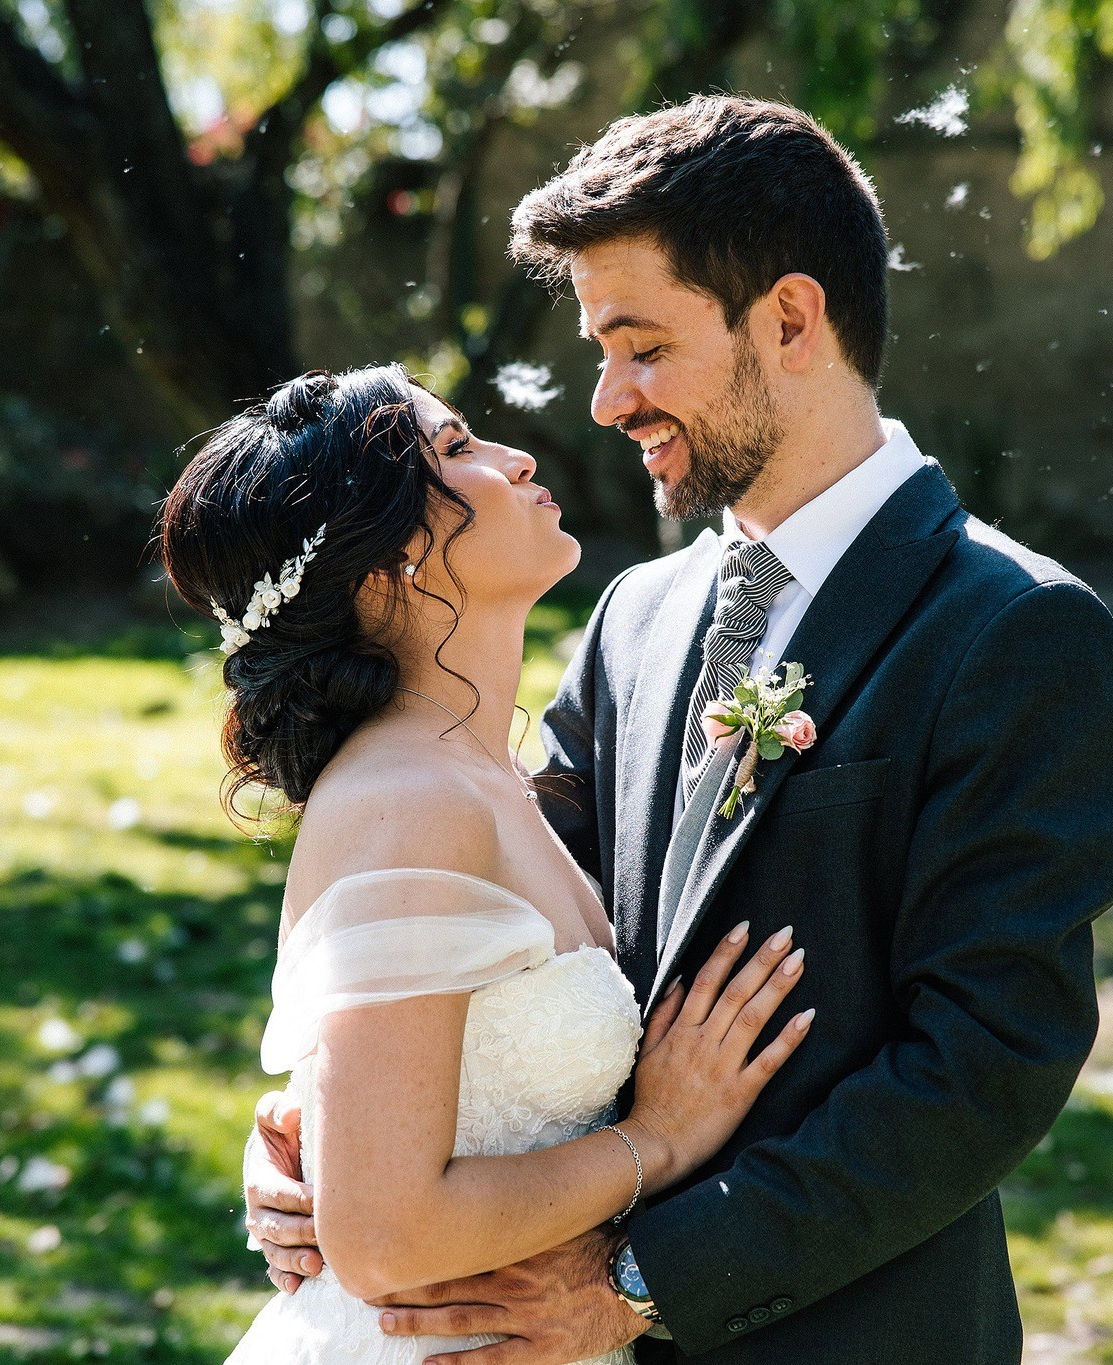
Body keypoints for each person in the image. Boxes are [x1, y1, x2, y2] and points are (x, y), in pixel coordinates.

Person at [243, 95, 1113, 1364]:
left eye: (640, 346)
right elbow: (475, 927)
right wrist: (318, 1140)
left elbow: (984, 1067)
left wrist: (638, 1282)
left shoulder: (1010, 631)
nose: (606, 400)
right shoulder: (634, 616)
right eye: (599, 351)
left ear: (787, 320)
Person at [156, 364, 815, 1365]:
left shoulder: (483, 776)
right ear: (388, 565)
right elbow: (382, 1239)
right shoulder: (408, 804)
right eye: (460, 450)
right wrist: (660, 1139)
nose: (517, 458)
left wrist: (318, 1132)